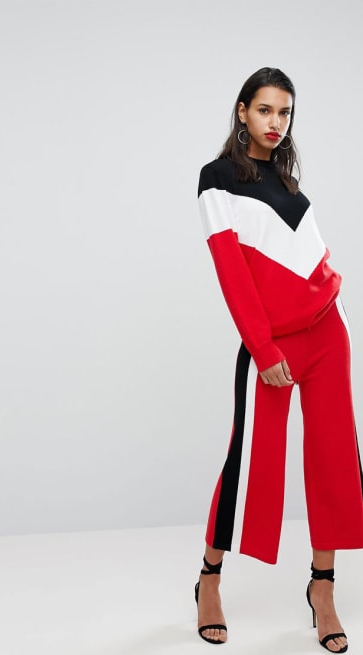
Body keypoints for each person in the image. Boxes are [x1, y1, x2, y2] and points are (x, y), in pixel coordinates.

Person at [195, 67, 363, 652]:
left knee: (333, 458)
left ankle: (323, 588)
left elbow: (309, 259)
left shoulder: (289, 183)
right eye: (265, 110)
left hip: (328, 333)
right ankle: (209, 579)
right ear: (243, 111)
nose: (275, 122)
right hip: (274, 344)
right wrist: (263, 348)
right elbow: (232, 275)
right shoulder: (217, 180)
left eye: (284, 112)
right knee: (250, 461)